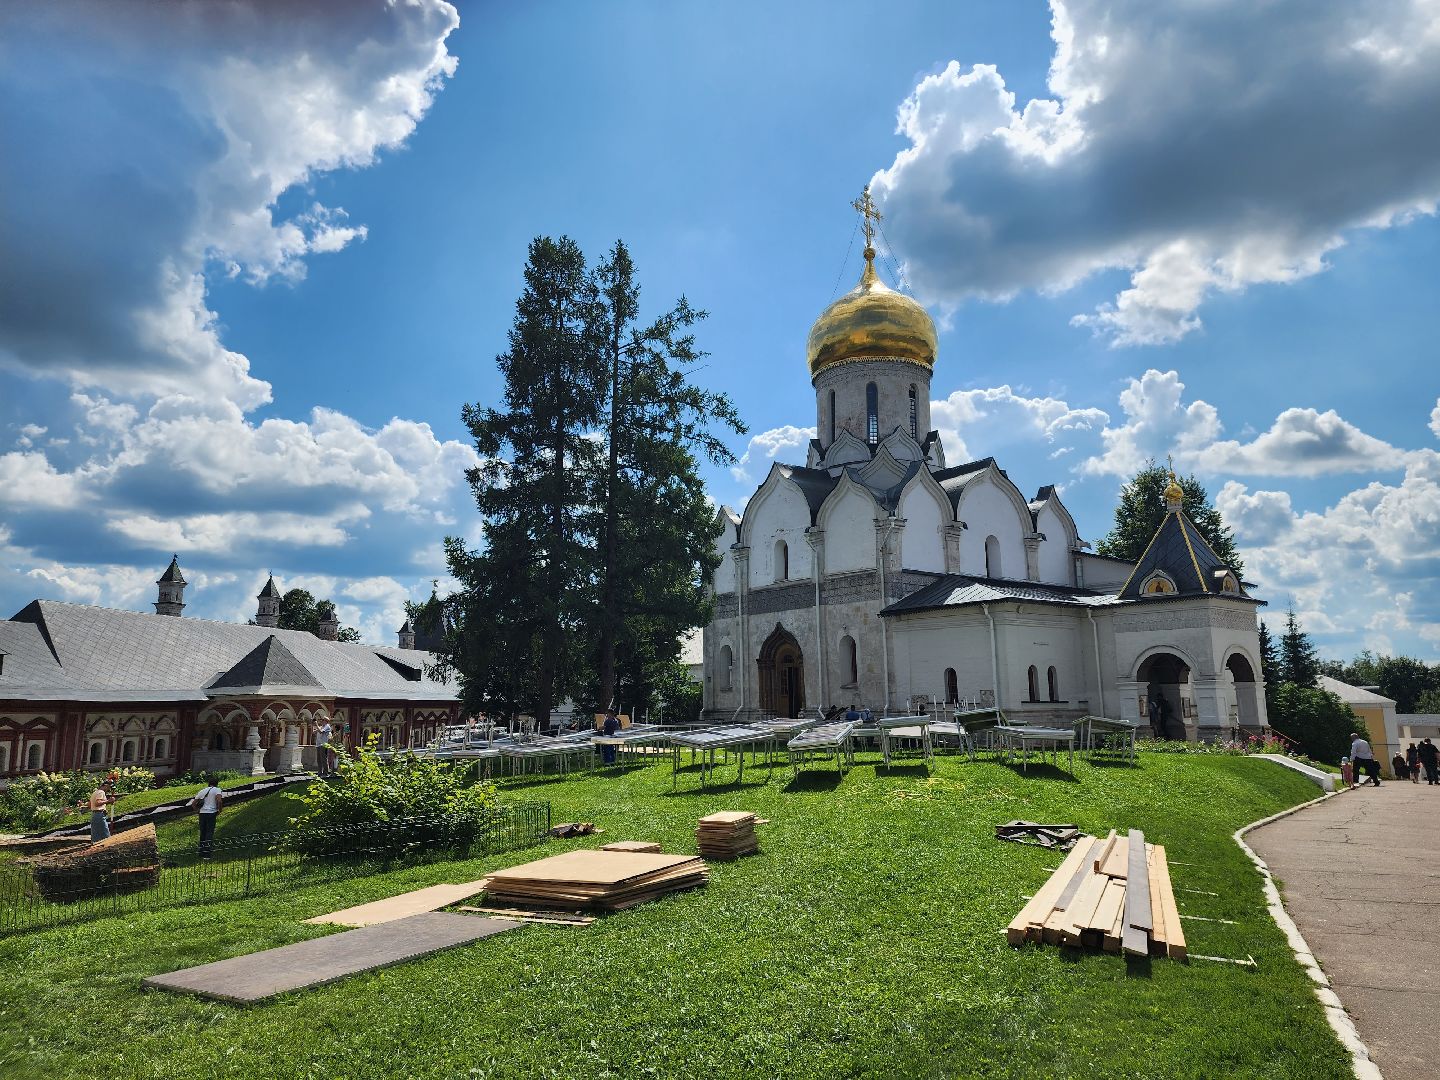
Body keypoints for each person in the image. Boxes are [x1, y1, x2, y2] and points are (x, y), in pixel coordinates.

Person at [189, 774, 225, 860]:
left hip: (202, 813)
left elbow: (193, 804)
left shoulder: (202, 791)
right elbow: (219, 801)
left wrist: (198, 811)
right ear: (216, 784)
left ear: (208, 783)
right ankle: (207, 853)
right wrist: (220, 810)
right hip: (211, 813)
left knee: (203, 832)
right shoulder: (217, 790)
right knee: (209, 832)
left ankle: (201, 852)